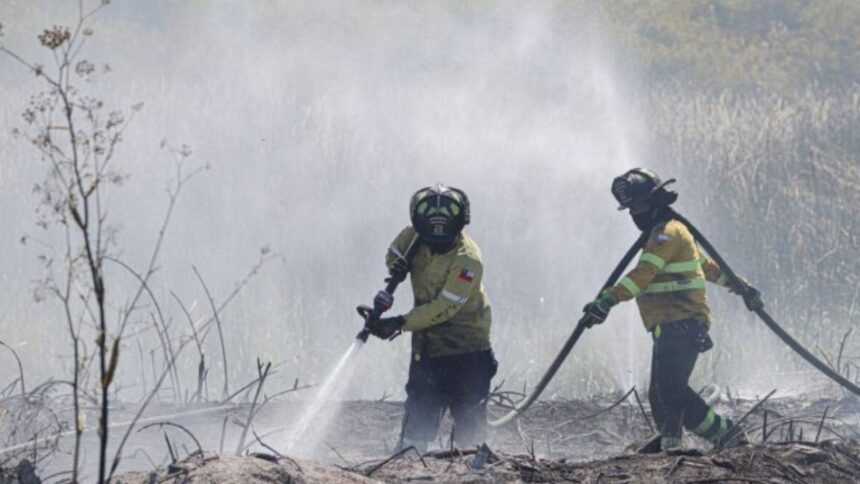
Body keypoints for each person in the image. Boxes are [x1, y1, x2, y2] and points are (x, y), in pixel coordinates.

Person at [581, 168, 762, 453]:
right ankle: (670, 444)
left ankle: (726, 434)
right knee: (660, 392)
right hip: (670, 325)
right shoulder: (668, 234)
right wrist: (741, 286)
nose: (635, 213)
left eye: (639, 206)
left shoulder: (667, 234)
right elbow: (707, 267)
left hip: (682, 323)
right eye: (631, 208)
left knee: (671, 390)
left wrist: (608, 300)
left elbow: (643, 274)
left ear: (655, 202)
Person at [369, 184, 496, 453]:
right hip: (427, 345)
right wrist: (397, 265)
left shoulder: (468, 260)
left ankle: (473, 470)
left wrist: (398, 323)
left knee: (470, 428)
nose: (434, 242)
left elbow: (444, 307)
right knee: (419, 413)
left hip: (467, 350)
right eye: (430, 237)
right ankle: (407, 463)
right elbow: (393, 251)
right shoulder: (414, 235)